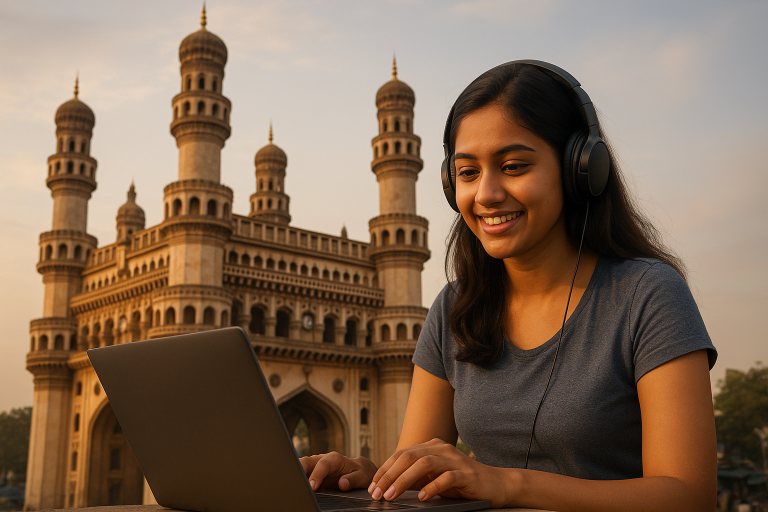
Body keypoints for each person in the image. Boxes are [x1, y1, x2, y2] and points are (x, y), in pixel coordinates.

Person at [300, 61, 718, 511]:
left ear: (579, 169)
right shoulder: (456, 308)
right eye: (467, 172)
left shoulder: (646, 295)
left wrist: (510, 484)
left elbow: (689, 497)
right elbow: (416, 470)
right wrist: (370, 479)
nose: (487, 194)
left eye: (514, 166)